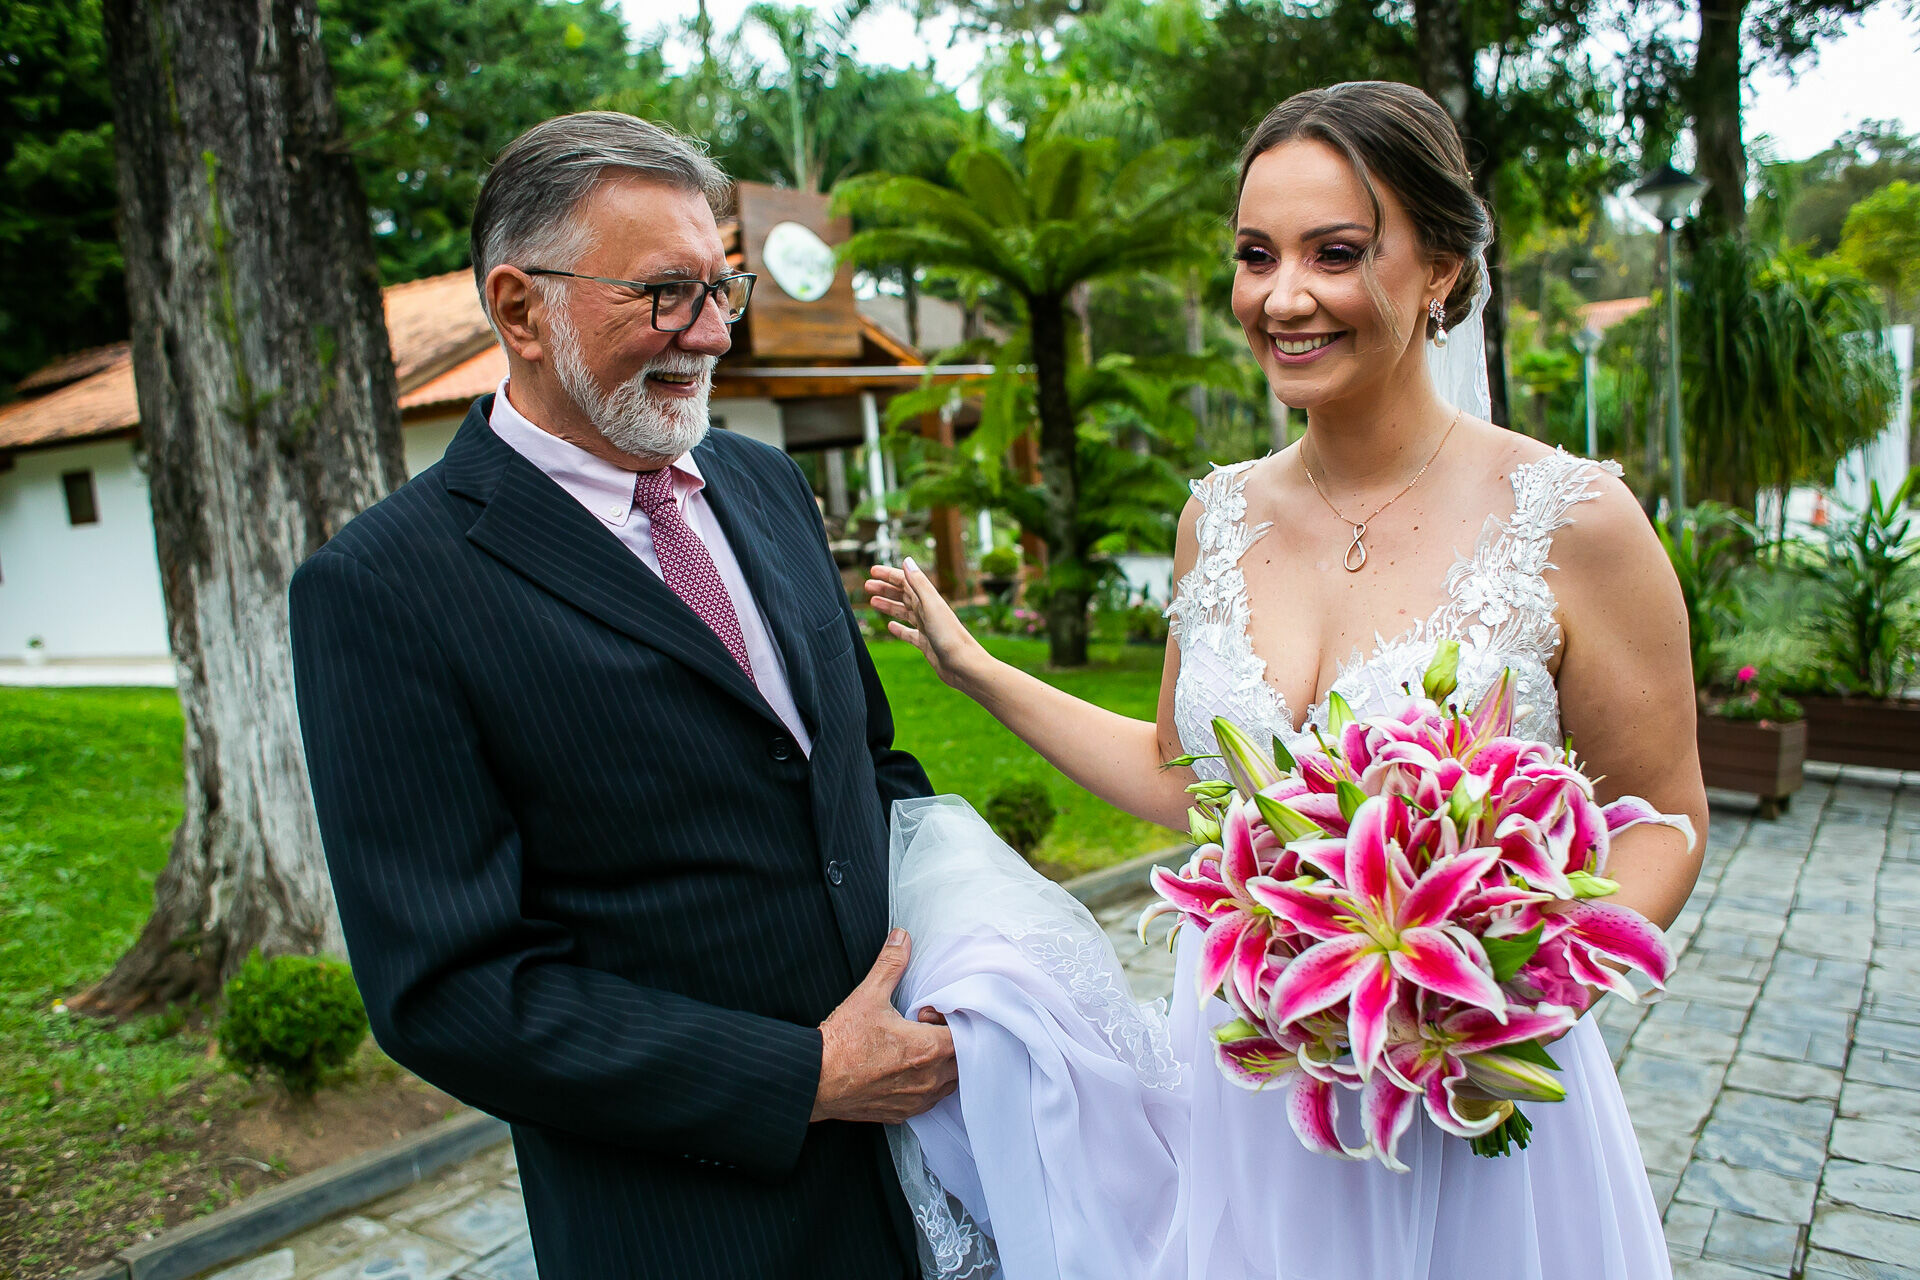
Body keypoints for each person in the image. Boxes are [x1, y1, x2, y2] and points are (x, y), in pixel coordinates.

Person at [865, 82, 1706, 1279]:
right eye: (1257, 255)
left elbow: (1664, 816)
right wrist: (977, 667)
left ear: (1443, 272)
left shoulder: (1575, 521)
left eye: (1338, 251)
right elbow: (1187, 781)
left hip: (1454, 1092)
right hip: (1249, 1083)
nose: (1283, 295)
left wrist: (1500, 994)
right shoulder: (1217, 516)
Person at [289, 112, 954, 1280]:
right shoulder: (383, 588)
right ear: (517, 308)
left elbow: (870, 768)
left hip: (928, 1175)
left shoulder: (763, 481)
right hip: (690, 1227)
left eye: (722, 288)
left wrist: (972, 954)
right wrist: (803, 1076)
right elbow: (451, 991)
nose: (709, 336)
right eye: (663, 294)